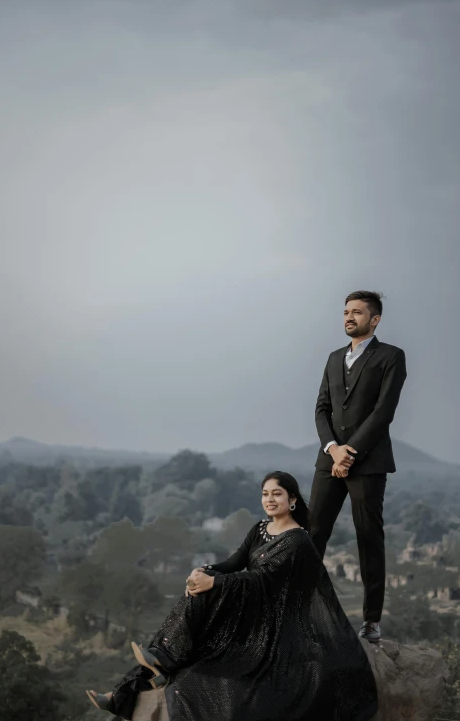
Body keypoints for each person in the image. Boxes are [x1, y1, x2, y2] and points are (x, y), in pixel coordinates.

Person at [87, 472, 378, 721]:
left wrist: (213, 582)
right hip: (251, 604)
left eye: (277, 494)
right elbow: (234, 562)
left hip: (275, 621)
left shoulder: (298, 540)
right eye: (265, 494)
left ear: (292, 500)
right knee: (198, 589)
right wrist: (204, 571)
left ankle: (165, 657)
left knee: (206, 592)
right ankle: (126, 690)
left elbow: (262, 580)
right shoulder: (260, 528)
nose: (270, 499)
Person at [310, 290, 407, 643]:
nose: (349, 317)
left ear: (375, 319)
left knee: (368, 538)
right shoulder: (334, 358)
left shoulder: (391, 357)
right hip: (328, 459)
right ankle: (298, 610)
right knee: (313, 535)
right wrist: (334, 449)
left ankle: (370, 622)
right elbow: (321, 409)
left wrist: (350, 451)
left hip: (368, 462)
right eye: (346, 312)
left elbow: (384, 411)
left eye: (357, 312)